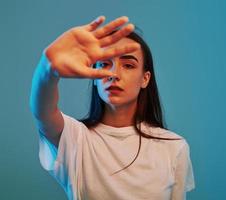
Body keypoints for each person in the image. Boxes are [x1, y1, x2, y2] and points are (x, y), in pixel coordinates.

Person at [30, 15, 195, 200]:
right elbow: (42, 113)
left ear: (145, 79)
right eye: (105, 63)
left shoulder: (173, 147)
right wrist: (47, 68)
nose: (114, 74)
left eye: (128, 65)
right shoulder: (76, 139)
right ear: (94, 78)